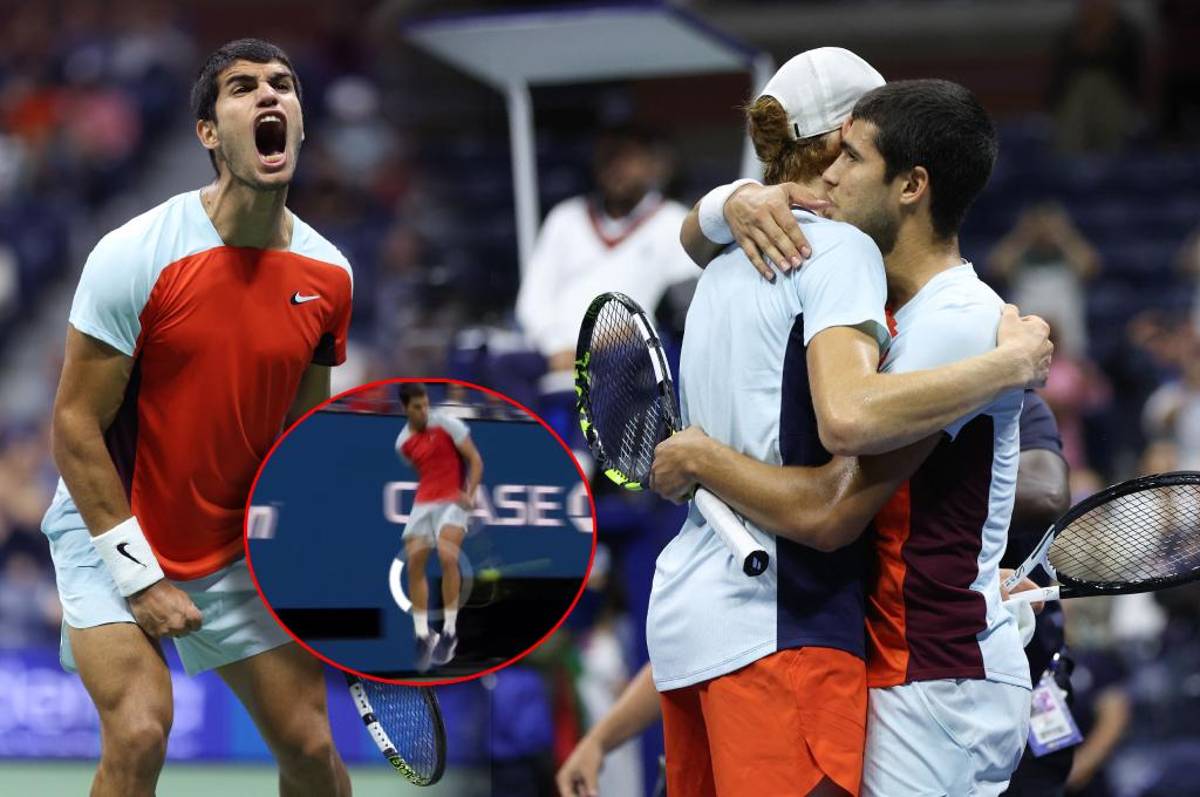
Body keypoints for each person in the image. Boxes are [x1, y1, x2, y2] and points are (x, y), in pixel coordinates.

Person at [650, 76, 1042, 796]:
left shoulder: (957, 317)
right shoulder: (894, 303)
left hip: (935, 676)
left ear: (911, 185)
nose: (830, 173)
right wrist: (730, 201)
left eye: (852, 158)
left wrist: (702, 455)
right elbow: (695, 240)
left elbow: (836, 489)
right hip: (905, 664)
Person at [41, 39, 353, 796]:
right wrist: (139, 576)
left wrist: (310, 555)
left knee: (313, 753)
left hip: (228, 548)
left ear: (300, 123)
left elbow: (300, 443)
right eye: (242, 88)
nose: (268, 96)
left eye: (282, 84)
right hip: (112, 526)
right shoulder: (136, 254)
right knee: (143, 730)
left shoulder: (330, 275)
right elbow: (75, 428)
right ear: (209, 132)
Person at [555, 393, 1068, 797]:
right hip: (908, 703)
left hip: (1006, 685)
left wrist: (961, 564)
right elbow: (721, 645)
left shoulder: (989, 386)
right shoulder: (856, 451)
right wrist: (602, 740)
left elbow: (1046, 491)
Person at [514, 126, 697, 397]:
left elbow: (679, 308)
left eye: (627, 159)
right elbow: (532, 300)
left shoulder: (675, 222)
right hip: (553, 353)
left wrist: (593, 348)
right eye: (608, 158)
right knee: (495, 366)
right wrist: (555, 347)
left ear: (652, 165)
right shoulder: (565, 218)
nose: (616, 168)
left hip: (628, 358)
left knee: (622, 366)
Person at [395, 382, 484, 671]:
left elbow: (474, 460)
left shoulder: (449, 425)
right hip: (424, 504)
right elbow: (424, 470)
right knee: (415, 566)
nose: (423, 411)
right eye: (416, 407)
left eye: (425, 404)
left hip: (453, 502)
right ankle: (422, 635)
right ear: (405, 409)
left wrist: (469, 495)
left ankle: (449, 631)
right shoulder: (402, 444)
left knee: (448, 557)